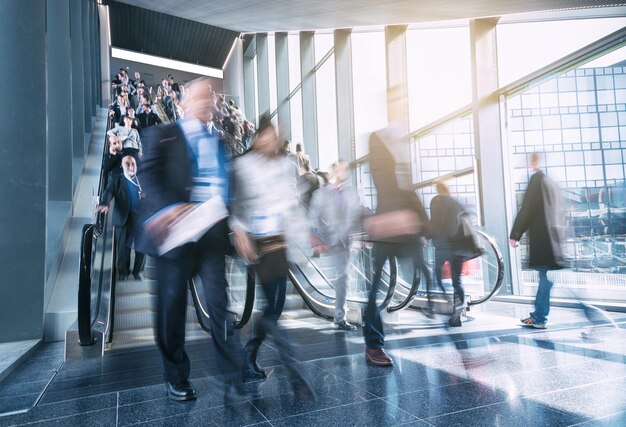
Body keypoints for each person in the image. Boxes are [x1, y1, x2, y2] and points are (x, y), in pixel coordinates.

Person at [138, 77, 247, 403]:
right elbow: (148, 174)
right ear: (183, 103)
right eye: (200, 97)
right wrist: (166, 209)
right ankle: (176, 376)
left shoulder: (218, 142)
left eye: (210, 97)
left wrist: (236, 223)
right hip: (175, 236)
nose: (207, 102)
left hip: (211, 235)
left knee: (219, 305)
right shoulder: (162, 134)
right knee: (172, 310)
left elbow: (227, 186)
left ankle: (232, 376)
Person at [230, 114, 313, 397]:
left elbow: (292, 203)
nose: (271, 139)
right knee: (271, 306)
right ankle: (294, 372)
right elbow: (236, 205)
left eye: (274, 135)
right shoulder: (243, 166)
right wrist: (238, 230)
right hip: (258, 245)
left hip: (281, 244)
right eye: (267, 135)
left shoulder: (285, 166)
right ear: (257, 137)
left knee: (274, 309)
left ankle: (247, 358)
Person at [362, 130, 428, 367]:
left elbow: (406, 191)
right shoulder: (382, 150)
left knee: (380, 286)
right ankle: (373, 344)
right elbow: (396, 189)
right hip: (390, 229)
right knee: (375, 289)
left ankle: (374, 343)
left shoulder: (394, 153)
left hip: (397, 230)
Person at [510, 152, 565, 329]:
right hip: (554, 241)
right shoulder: (551, 184)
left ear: (534, 162)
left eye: (531, 161)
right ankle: (538, 316)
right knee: (545, 279)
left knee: (544, 279)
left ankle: (539, 317)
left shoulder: (537, 180)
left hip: (542, 240)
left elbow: (527, 209)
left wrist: (515, 234)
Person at [308, 161, 360, 331]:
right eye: (339, 168)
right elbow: (313, 218)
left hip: (348, 241)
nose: (342, 172)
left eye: (345, 169)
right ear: (332, 172)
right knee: (343, 277)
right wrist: (319, 239)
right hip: (332, 241)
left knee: (344, 278)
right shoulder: (322, 194)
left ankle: (340, 317)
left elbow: (356, 215)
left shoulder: (351, 193)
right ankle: (339, 317)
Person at [97, 155, 146, 281]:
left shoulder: (143, 181)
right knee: (123, 248)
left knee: (142, 247)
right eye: (127, 164)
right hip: (123, 219)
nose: (130, 166)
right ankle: (123, 272)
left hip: (140, 219)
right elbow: (108, 192)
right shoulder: (116, 179)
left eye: (133, 164)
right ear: (121, 166)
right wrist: (104, 203)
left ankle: (138, 271)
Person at [428, 180, 469, 326]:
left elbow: (434, 221)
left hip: (442, 244)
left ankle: (445, 299)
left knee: (437, 275)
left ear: (438, 189)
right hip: (458, 246)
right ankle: (457, 311)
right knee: (457, 280)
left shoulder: (436, 201)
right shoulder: (456, 202)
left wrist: (426, 236)